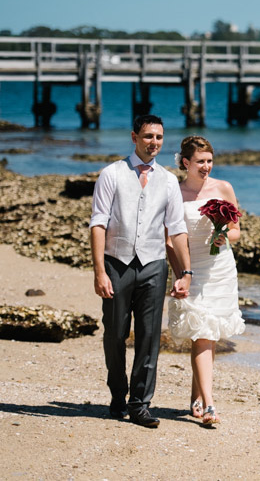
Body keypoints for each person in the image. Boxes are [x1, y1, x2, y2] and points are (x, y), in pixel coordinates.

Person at [90, 115, 192, 429]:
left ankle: (140, 405)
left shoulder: (169, 180)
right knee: (115, 335)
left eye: (159, 137)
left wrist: (184, 273)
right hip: (116, 263)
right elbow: (98, 224)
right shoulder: (112, 173)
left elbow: (176, 229)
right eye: (148, 136)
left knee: (149, 338)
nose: (154, 143)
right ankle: (118, 394)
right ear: (134, 136)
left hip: (153, 266)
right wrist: (99, 272)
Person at [167, 135, 245, 426]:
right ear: (186, 162)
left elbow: (237, 231)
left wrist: (223, 233)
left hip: (221, 268)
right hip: (192, 268)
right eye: (201, 162)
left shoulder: (223, 188)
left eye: (210, 161)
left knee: (207, 335)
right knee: (201, 333)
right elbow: (169, 240)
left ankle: (198, 397)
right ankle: (209, 404)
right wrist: (179, 274)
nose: (206, 167)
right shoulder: (174, 193)